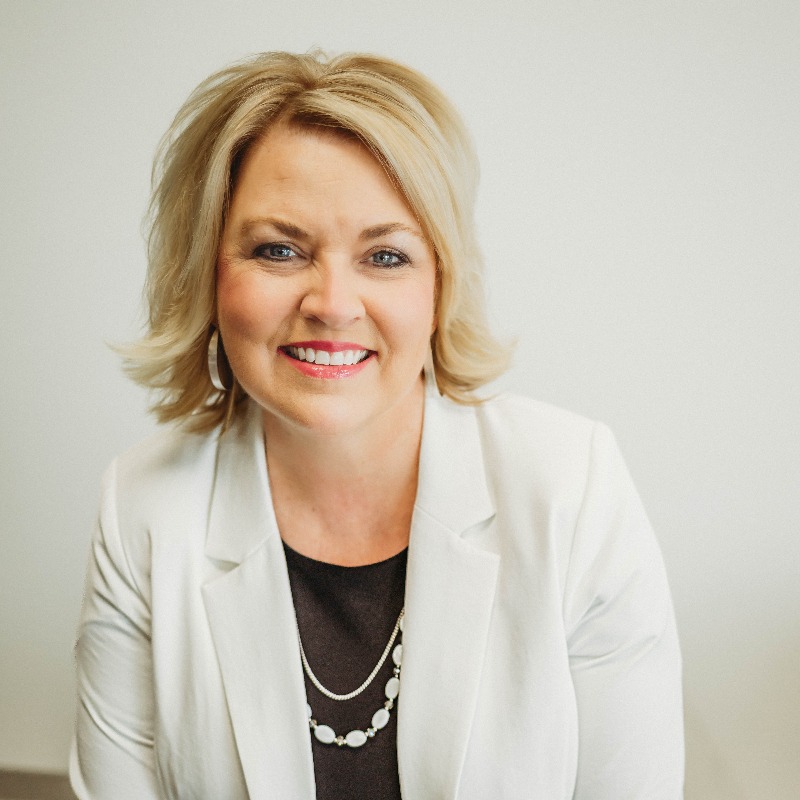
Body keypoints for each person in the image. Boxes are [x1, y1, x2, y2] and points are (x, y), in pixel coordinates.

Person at [70, 51, 684, 799]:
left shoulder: (571, 486)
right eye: (278, 249)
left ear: (440, 284)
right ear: (207, 273)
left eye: (385, 255)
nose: (332, 302)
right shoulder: (142, 507)